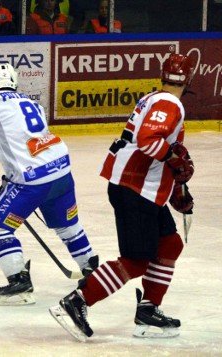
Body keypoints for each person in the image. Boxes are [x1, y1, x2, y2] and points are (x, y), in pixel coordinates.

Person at [49, 53, 195, 341]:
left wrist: (178, 184)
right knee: (137, 260)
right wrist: (174, 160)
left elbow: (163, 145)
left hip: (142, 189)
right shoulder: (169, 103)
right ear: (189, 79)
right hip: (134, 188)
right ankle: (77, 301)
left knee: (170, 244)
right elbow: (149, 140)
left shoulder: (155, 99)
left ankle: (148, 310)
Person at [0, 63, 98, 305]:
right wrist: (10, 184)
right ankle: (92, 268)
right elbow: (30, 145)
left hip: (31, 182)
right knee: (68, 226)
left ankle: (19, 282)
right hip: (61, 171)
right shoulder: (33, 104)